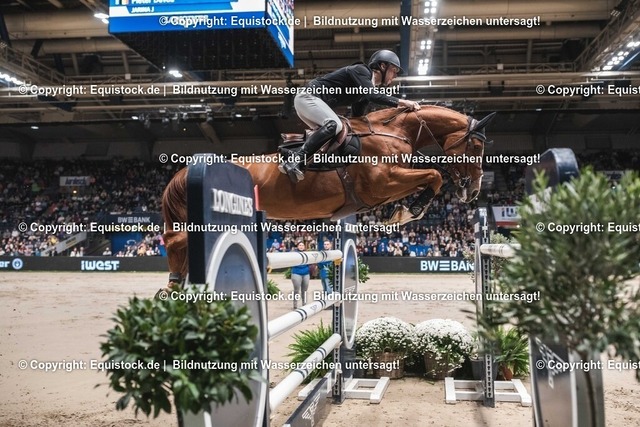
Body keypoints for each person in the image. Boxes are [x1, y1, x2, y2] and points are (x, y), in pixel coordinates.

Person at [279, 49, 421, 183]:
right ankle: (295, 160)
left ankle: (310, 165)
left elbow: (357, 118)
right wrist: (402, 102)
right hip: (308, 97)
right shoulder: (362, 70)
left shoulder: (365, 89)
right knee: (335, 125)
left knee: (334, 135)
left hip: (309, 102)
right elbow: (373, 96)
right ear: (383, 66)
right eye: (394, 70)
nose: (395, 76)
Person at [290, 240, 310, 309]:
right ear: (297, 246)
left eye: (302, 245)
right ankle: (295, 305)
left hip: (306, 274)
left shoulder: (307, 254)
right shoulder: (294, 254)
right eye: (300, 245)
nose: (301, 246)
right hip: (296, 273)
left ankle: (304, 304)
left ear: (304, 246)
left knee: (305, 290)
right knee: (296, 290)